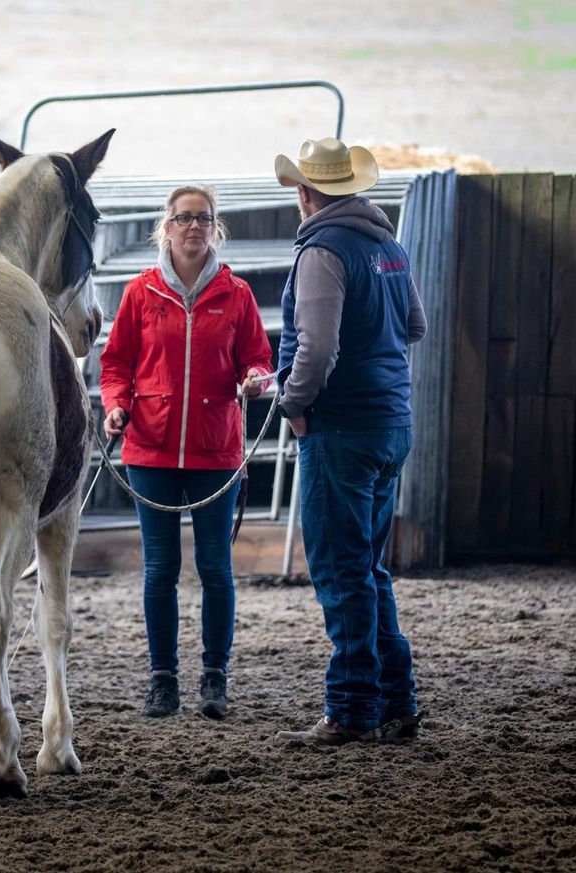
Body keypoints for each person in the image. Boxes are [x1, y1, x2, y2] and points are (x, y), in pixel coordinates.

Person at [270, 138, 428, 745]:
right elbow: (413, 325)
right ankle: (397, 700)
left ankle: (352, 706)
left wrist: (292, 403)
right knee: (369, 569)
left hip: (342, 430)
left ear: (307, 194)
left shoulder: (322, 251)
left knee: (340, 572)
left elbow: (317, 348)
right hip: (392, 424)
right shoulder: (387, 245)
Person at [98, 185, 273, 720]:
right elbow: (116, 365)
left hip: (215, 451)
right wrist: (116, 406)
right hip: (149, 450)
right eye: (184, 218)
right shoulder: (139, 293)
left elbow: (260, 359)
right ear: (167, 227)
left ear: (214, 228)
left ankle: (215, 678)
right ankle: (163, 679)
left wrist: (255, 381)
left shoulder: (237, 294)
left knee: (216, 568)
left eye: (203, 218)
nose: (194, 226)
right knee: (160, 571)